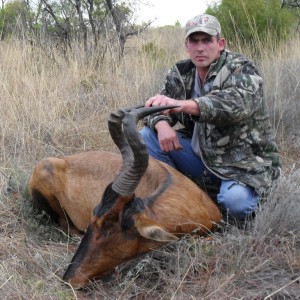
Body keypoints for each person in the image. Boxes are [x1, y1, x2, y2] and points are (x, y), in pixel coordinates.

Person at [141, 13, 281, 221]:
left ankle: (255, 198)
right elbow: (154, 107)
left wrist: (184, 105)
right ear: (186, 45)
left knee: (236, 204)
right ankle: (177, 197)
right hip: (202, 159)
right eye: (194, 41)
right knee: (147, 135)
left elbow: (234, 105)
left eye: (207, 40)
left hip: (240, 165)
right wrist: (161, 123)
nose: (200, 48)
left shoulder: (241, 68)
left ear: (220, 43)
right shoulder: (181, 72)